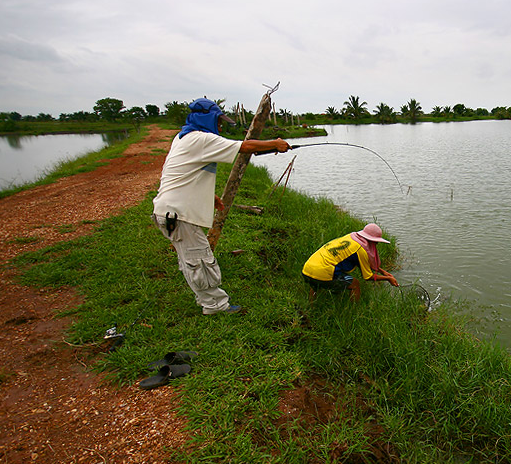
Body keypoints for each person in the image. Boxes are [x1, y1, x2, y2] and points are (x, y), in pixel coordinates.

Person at [152, 97, 290, 315]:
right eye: (218, 121)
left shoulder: (182, 138)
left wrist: (210, 196)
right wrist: (275, 144)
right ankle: (216, 306)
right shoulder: (200, 139)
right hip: (179, 214)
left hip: (170, 211)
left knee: (190, 260)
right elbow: (245, 146)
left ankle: (206, 300)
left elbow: (184, 175)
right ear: (206, 119)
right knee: (200, 260)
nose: (220, 126)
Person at [302, 223, 399, 301]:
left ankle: (311, 304)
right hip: (323, 273)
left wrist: (382, 271)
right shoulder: (360, 249)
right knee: (355, 284)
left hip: (307, 269)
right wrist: (387, 279)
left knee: (315, 283)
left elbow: (364, 262)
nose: (376, 244)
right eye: (376, 242)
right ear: (371, 240)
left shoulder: (351, 238)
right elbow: (368, 277)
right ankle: (353, 310)